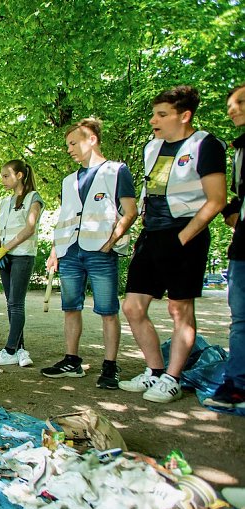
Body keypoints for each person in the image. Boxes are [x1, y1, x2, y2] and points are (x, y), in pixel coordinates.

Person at [120, 86, 227, 403]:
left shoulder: (205, 145)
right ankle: (154, 372)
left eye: (162, 114)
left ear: (184, 116)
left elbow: (217, 200)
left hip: (185, 234)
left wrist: (183, 237)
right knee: (132, 306)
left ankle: (172, 378)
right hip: (151, 235)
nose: (154, 120)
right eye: (154, 113)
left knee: (179, 309)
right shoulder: (152, 147)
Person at [42, 118, 137, 388]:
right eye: (67, 144)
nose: (69, 149)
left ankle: (110, 366)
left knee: (107, 310)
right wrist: (54, 251)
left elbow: (130, 211)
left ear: (91, 139)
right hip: (70, 251)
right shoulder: (68, 180)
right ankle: (72, 360)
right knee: (70, 308)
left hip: (101, 251)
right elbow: (64, 218)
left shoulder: (117, 171)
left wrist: (113, 239)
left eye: (73, 143)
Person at [0, 160, 44, 367]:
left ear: (19, 175)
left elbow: (29, 229)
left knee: (16, 304)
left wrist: (5, 249)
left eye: (6, 176)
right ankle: (19, 349)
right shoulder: (5, 201)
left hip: (22, 256)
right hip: (5, 256)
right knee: (10, 303)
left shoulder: (33, 198)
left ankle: (9, 350)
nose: (2, 180)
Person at [213, 82, 245, 408]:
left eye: (241, 102)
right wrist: (231, 212)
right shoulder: (238, 149)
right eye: (230, 105)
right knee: (241, 318)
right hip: (242, 246)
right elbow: (234, 196)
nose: (232, 109)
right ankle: (236, 385)